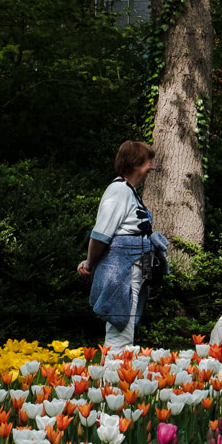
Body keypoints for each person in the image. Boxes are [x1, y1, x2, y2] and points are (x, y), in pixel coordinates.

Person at [80, 140, 169, 351]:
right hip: (121, 271)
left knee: (126, 330)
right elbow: (101, 235)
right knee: (120, 333)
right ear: (135, 163)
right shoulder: (119, 191)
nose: (152, 167)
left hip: (131, 269)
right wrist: (89, 263)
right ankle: (114, 378)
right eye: (148, 161)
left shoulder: (130, 191)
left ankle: (115, 375)